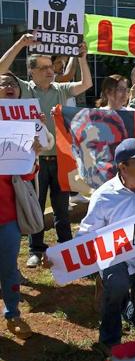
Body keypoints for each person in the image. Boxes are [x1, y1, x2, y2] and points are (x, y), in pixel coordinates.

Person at [66, 138, 135, 349]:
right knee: (117, 285)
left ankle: (123, 301)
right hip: (117, 259)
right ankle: (109, 340)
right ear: (123, 167)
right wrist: (59, 258)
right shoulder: (104, 196)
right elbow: (86, 235)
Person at [0, 32, 93, 268]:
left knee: (62, 208)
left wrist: (82, 58)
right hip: (33, 160)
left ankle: (65, 248)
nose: (49, 71)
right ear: (31, 71)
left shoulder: (60, 89)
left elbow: (87, 84)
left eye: (51, 66)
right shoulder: (23, 88)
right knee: (36, 205)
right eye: (42, 67)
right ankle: (35, 249)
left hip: (61, 159)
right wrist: (20, 44)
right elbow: (1, 69)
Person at [0, 138, 42, 340]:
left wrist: (32, 155)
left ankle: (13, 314)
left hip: (7, 220)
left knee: (8, 269)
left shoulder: (7, 142)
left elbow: (27, 174)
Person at [69, 108, 128, 189]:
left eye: (115, 146)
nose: (108, 156)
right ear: (76, 151)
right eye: (94, 146)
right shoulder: (71, 185)